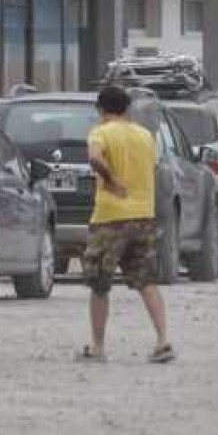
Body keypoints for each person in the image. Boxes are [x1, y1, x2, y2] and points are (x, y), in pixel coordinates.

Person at [79, 85, 173, 364]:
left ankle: (98, 347)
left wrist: (110, 180)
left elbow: (95, 158)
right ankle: (162, 341)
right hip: (143, 216)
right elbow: (153, 167)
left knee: (100, 284)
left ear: (101, 109)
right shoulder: (145, 136)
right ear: (127, 109)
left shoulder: (101, 132)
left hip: (110, 218)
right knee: (146, 281)